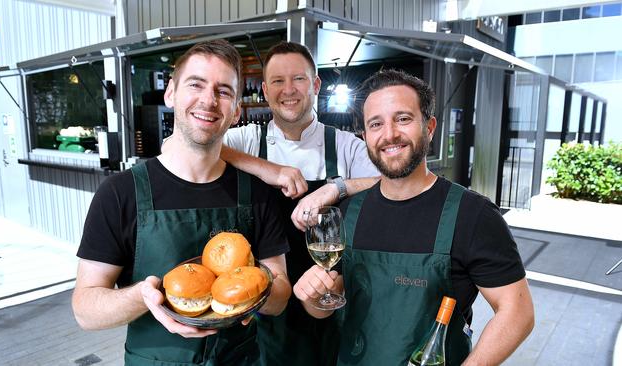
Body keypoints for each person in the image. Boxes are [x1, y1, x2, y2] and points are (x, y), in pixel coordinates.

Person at [71, 39, 291, 366]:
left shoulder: (258, 194)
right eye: (196, 84)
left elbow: (282, 293)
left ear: (235, 111)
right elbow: (86, 310)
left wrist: (255, 295)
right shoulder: (119, 193)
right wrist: (143, 296)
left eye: (224, 91)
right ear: (170, 93)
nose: (208, 100)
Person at [294, 70, 534, 366]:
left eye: (403, 119)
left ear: (429, 127)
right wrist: (312, 297)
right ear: (365, 136)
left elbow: (518, 312)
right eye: (376, 124)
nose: (390, 134)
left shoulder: (473, 215)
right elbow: (326, 307)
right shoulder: (348, 212)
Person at [220, 41, 380, 366]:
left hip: (333, 301)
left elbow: (398, 184)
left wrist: (335, 188)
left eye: (299, 79)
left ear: (316, 84)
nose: (288, 90)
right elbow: (179, 145)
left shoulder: (345, 144)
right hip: (267, 307)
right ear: (265, 90)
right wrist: (270, 170)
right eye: (278, 81)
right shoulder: (248, 140)